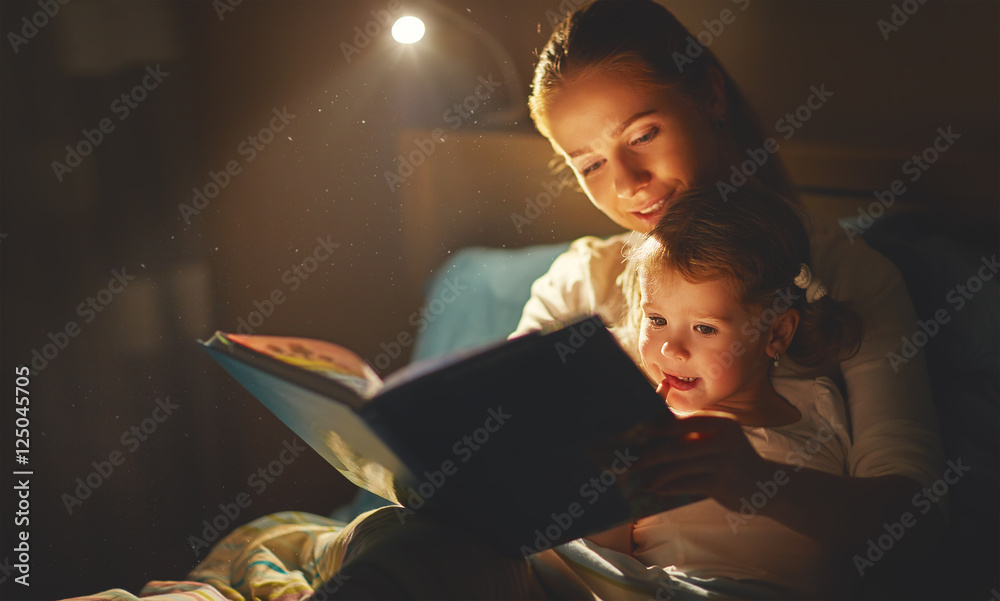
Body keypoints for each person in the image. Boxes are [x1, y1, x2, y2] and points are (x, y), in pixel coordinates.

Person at [513, 0, 946, 570]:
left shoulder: (850, 280)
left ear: (711, 98)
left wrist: (754, 481)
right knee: (392, 534)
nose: (627, 183)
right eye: (590, 165)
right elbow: (510, 457)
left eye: (642, 135)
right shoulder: (575, 285)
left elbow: (916, 523)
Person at [533, 185, 862, 599]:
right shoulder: (648, 428)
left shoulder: (820, 404)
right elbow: (606, 564)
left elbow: (856, 532)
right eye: (656, 320)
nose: (671, 349)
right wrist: (616, 476)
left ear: (776, 332)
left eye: (705, 328)